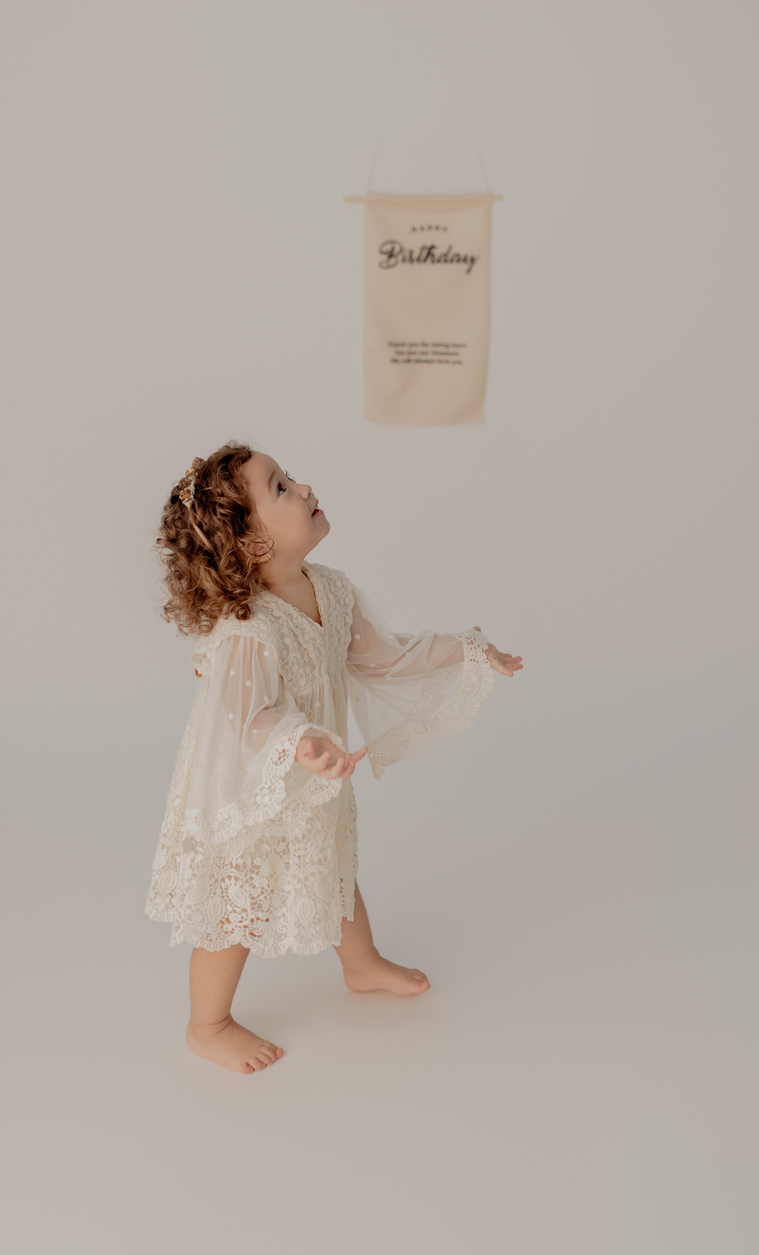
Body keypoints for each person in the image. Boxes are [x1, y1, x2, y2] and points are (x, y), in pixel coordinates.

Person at [145, 441, 523, 1074]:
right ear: (252, 542)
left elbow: (386, 657)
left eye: (290, 477)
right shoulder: (249, 629)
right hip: (255, 785)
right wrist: (299, 741)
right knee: (239, 905)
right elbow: (245, 719)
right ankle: (208, 1025)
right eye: (281, 488)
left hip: (314, 776)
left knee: (333, 862)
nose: (303, 487)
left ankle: (361, 962)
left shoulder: (332, 591)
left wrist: (466, 648)